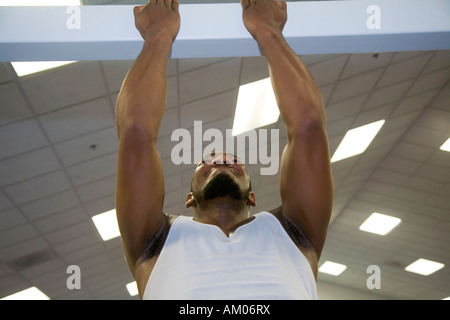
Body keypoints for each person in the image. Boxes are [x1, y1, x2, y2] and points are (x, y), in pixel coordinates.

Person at [115, 0, 333, 300]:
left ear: (253, 197)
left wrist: (268, 32)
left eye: (232, 161)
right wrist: (159, 35)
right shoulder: (154, 241)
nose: (221, 160)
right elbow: (135, 134)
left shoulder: (295, 233)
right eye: (209, 162)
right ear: (189, 197)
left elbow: (309, 127)